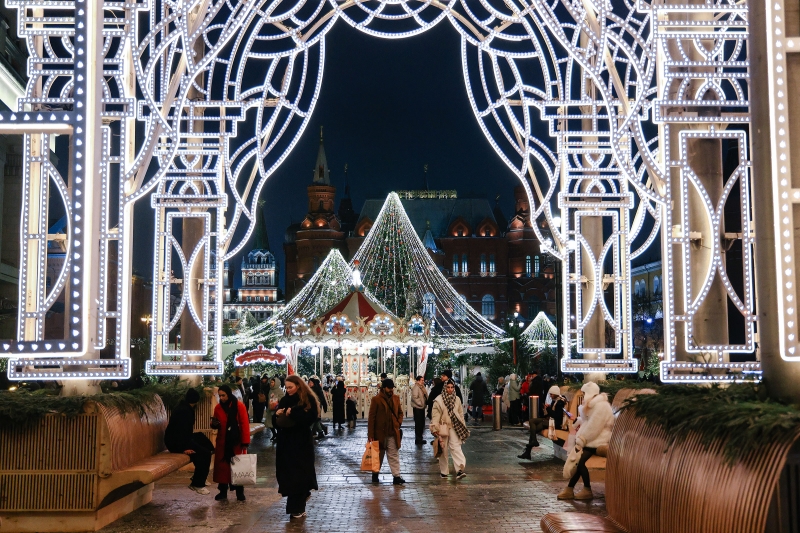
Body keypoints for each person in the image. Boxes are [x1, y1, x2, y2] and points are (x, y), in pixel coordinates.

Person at [558, 382, 614, 501]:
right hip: (593, 439)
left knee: (580, 461)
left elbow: (595, 427)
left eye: (584, 393)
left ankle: (586, 489)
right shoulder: (594, 405)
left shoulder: (601, 406)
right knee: (579, 461)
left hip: (600, 439)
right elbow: (588, 422)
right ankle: (571, 489)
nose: (583, 396)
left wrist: (582, 439)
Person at [275, 375, 320, 520]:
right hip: (286, 443)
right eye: (286, 387)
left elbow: (310, 418)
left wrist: (293, 413)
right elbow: (278, 422)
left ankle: (296, 508)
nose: (288, 390)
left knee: (300, 475)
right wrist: (277, 415)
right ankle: (297, 506)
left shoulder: (307, 400)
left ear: (298, 386)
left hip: (301, 444)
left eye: (290, 387)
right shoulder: (285, 400)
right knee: (290, 476)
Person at [164, 388, 215, 495]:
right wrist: (183, 449)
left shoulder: (185, 408)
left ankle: (199, 475)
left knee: (205, 443)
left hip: (179, 439)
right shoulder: (185, 411)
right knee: (204, 453)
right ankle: (198, 483)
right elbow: (180, 433)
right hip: (176, 443)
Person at [212, 385, 250, 501]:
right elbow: (215, 421)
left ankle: (240, 492)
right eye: (220, 396)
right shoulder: (218, 408)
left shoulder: (239, 406)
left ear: (229, 394)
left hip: (236, 442)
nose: (222, 398)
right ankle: (222, 491)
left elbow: (244, 424)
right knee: (223, 469)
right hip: (222, 442)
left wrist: (245, 442)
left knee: (237, 467)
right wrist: (214, 424)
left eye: (224, 395)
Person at [367, 379, 405, 484]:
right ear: (384, 388)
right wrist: (370, 435)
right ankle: (375, 474)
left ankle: (396, 476)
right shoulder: (376, 400)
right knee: (378, 455)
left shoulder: (396, 399)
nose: (391, 390)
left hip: (392, 432)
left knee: (393, 454)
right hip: (379, 433)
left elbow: (401, 413)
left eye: (392, 388)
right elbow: (372, 418)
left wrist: (398, 423)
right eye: (389, 388)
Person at [431, 380, 469, 479]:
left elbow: (460, 414)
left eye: (452, 387)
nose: (450, 389)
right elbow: (435, 416)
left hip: (455, 426)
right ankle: (444, 472)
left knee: (456, 447)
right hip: (443, 427)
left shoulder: (457, 399)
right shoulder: (439, 400)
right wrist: (435, 428)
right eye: (448, 387)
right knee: (443, 450)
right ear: (445, 388)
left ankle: (459, 470)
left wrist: (463, 426)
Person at [518, 385, 566, 459]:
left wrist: (548, 408)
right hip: (550, 420)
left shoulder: (560, 402)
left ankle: (529, 450)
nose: (550, 396)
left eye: (551, 394)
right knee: (533, 428)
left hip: (555, 423)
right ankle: (531, 445)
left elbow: (557, 416)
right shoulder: (555, 401)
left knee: (532, 424)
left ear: (555, 393)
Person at [265, 376, 284, 441]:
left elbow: (282, 398)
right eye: (271, 382)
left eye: (272, 382)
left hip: (276, 410)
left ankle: (278, 436)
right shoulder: (270, 390)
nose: (271, 383)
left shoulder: (279, 390)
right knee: (269, 423)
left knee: (276, 424)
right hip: (270, 409)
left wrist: (276, 398)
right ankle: (274, 434)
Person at [410, 375, 428, 445]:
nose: (423, 381)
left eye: (423, 380)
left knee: (422, 423)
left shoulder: (422, 387)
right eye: (422, 380)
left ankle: (420, 438)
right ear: (418, 381)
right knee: (418, 424)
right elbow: (415, 397)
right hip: (418, 408)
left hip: (422, 407)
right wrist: (421, 404)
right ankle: (418, 439)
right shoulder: (416, 388)